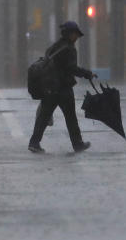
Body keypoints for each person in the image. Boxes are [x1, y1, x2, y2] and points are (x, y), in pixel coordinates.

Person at [28, 21, 97, 154]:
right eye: (75, 34)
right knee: (71, 118)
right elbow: (71, 68)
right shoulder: (69, 49)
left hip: (49, 88)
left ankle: (34, 143)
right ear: (70, 34)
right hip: (63, 88)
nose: (76, 37)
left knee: (43, 117)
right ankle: (78, 144)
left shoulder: (55, 46)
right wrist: (87, 74)